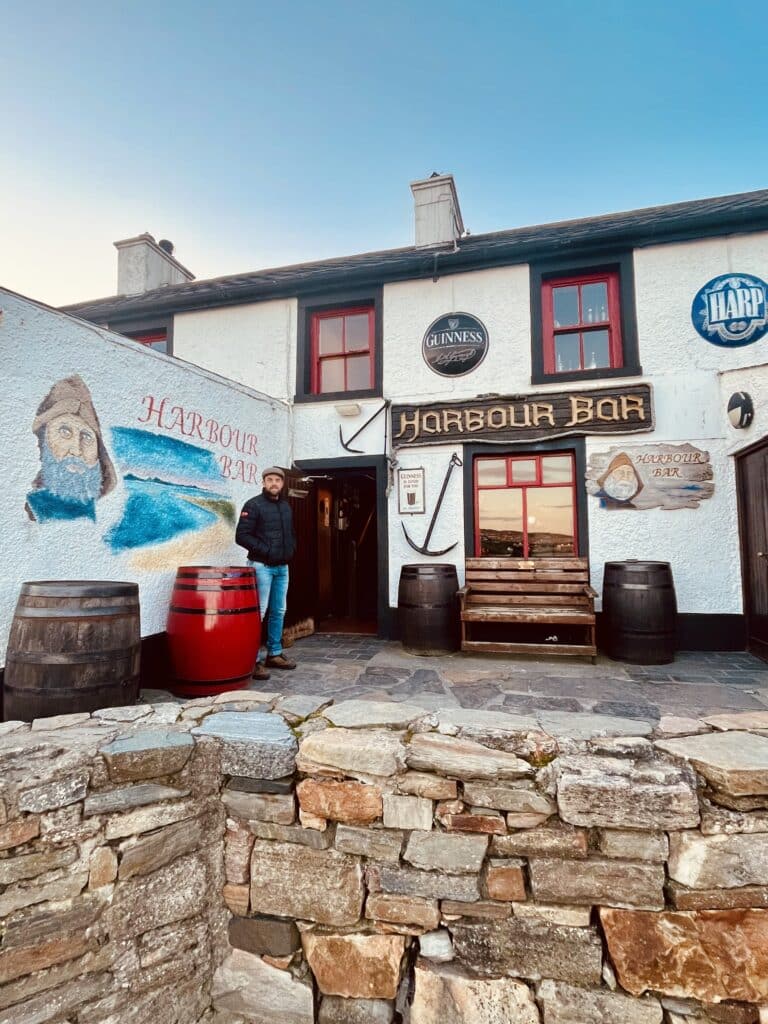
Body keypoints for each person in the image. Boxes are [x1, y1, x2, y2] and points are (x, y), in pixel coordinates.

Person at [26, 375, 117, 523]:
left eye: (87, 437)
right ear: (45, 441)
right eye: (64, 432)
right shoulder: (33, 509)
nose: (76, 450)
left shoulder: (102, 517)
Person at [235, 466, 297, 679]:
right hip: (261, 566)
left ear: (282, 484)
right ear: (263, 482)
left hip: (282, 567)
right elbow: (242, 536)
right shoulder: (253, 505)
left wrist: (290, 551)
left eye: (277, 480)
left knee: (279, 611)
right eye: (269, 479)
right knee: (258, 613)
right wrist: (267, 551)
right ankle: (253, 660)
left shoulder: (286, 507)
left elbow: (290, 533)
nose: (273, 483)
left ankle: (275, 653)